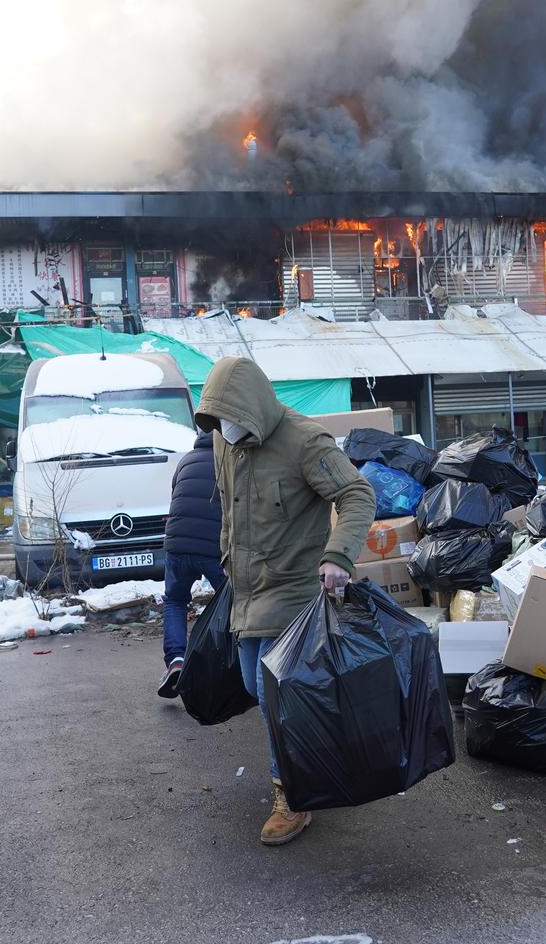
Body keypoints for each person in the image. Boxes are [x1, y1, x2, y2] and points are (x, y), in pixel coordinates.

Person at [193, 356, 375, 846]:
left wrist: (339, 555)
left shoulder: (304, 441)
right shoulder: (223, 439)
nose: (225, 428)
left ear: (253, 407)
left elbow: (357, 494)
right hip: (247, 591)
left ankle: (292, 795)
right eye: (217, 419)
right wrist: (226, 560)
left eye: (231, 417)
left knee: (271, 692)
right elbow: (229, 507)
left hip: (294, 589)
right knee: (256, 687)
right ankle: (315, 751)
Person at [157, 428, 225, 698]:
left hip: (177, 545)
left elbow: (177, 495)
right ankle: (227, 667)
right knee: (233, 603)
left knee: (175, 601)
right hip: (213, 548)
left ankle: (176, 661)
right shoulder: (229, 460)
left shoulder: (185, 460)